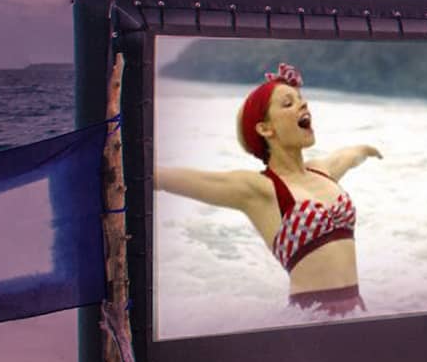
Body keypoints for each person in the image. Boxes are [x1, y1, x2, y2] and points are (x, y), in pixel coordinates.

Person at [155, 63, 381, 317]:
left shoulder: (322, 171)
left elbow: (346, 156)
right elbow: (184, 179)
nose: (303, 105)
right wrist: (147, 173)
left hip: (358, 313)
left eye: (301, 100)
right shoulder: (261, 189)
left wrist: (366, 150)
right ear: (265, 128)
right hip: (310, 321)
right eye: (288, 103)